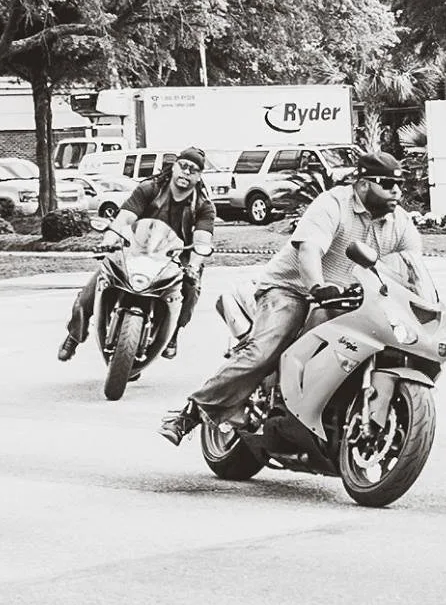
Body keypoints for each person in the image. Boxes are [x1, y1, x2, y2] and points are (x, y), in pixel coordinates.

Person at [160, 150, 423, 446]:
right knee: (264, 350)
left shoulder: (398, 221)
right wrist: (317, 287)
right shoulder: (334, 204)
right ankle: (191, 412)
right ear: (363, 184)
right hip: (293, 289)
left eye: (399, 185)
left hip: (353, 299)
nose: (396, 192)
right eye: (388, 184)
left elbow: (414, 266)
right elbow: (309, 250)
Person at [58, 146, 215, 363]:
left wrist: (194, 266)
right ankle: (74, 336)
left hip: (174, 261)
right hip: (134, 250)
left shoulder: (203, 206)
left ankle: (173, 334)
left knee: (191, 289)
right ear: (174, 166)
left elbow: (202, 241)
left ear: (199, 177)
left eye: (194, 170)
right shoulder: (150, 189)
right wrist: (108, 242)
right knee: (92, 290)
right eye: (184, 166)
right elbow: (124, 219)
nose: (186, 173)